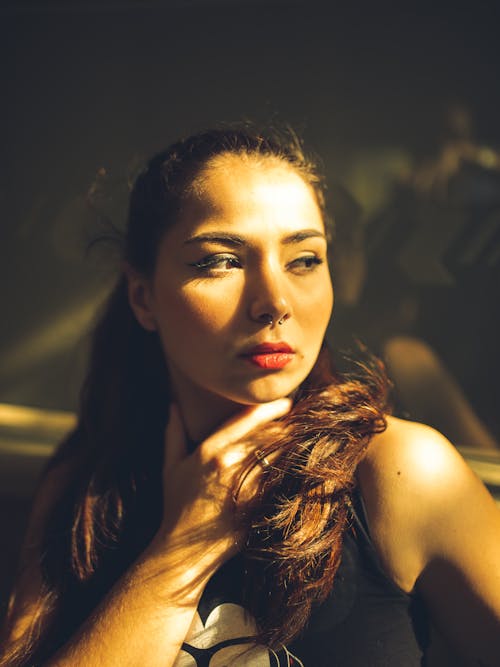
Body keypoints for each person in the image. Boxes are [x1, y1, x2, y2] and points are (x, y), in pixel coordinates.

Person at [0, 127, 499, 667]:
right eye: (221, 260)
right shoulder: (90, 481)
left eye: (304, 259)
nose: (274, 302)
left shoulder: (403, 473)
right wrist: (184, 543)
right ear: (143, 297)